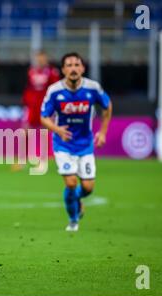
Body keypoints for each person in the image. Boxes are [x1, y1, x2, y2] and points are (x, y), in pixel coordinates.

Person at [40, 52, 112, 231]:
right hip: (63, 144)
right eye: (69, 65)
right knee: (71, 182)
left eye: (76, 65)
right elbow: (44, 117)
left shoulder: (92, 88)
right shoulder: (55, 91)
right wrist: (57, 130)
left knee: (88, 188)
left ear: (82, 68)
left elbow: (107, 106)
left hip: (85, 145)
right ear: (63, 70)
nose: (73, 68)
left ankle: (76, 198)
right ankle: (73, 220)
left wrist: (102, 132)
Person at [12, 50, 60, 171]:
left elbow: (55, 90)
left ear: (46, 59)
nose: (40, 60)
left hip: (44, 107)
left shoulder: (52, 72)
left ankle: (43, 163)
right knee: (25, 132)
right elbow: (28, 89)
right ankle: (22, 161)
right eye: (38, 58)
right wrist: (26, 102)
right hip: (32, 107)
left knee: (44, 134)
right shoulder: (32, 72)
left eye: (42, 58)